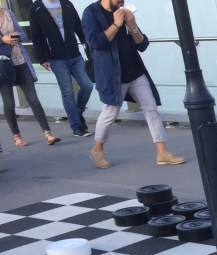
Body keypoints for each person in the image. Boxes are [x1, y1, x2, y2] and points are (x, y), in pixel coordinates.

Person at [81, 0, 184, 168]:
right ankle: (97, 149)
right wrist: (116, 24)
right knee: (110, 113)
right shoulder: (91, 13)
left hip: (135, 71)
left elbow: (142, 45)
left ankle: (162, 152)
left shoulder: (124, 11)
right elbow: (96, 43)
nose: (122, 1)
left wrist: (132, 25)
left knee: (151, 108)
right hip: (112, 75)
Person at [29, 0, 94, 138]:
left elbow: (78, 26)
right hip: (56, 58)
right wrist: (42, 58)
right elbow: (36, 36)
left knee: (87, 85)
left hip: (75, 55)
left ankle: (76, 114)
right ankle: (77, 127)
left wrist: (87, 43)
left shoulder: (67, 4)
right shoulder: (36, 7)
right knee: (67, 92)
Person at [1, 7, 61, 148]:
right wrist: (3, 39)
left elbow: (22, 33)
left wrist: (17, 36)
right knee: (9, 103)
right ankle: (17, 136)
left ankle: (48, 133)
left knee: (33, 99)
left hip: (20, 61)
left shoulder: (8, 13)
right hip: (3, 65)